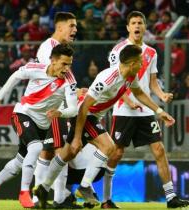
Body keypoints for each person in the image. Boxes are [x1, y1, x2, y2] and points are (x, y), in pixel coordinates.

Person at [34, 45, 175, 209]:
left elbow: (139, 93)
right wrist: (78, 136)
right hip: (85, 115)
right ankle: (85, 186)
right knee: (108, 146)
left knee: (68, 152)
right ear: (131, 63)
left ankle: (42, 189)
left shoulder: (130, 75)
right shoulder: (107, 78)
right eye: (140, 61)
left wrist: (158, 111)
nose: (142, 64)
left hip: (92, 117)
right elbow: (84, 106)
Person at [103, 11, 189, 209]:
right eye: (133, 22)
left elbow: (151, 83)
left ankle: (171, 197)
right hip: (123, 110)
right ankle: (106, 199)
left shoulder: (151, 52)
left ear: (144, 26)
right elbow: (115, 83)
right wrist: (127, 99)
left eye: (140, 22)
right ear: (127, 27)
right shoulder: (118, 51)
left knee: (159, 150)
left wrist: (162, 95)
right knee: (116, 154)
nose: (137, 26)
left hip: (145, 110)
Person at [0, 44, 78, 208]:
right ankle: (24, 193)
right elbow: (15, 76)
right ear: (53, 60)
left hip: (42, 125)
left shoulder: (69, 81)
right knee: (35, 148)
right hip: (23, 114)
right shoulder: (36, 68)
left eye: (70, 64)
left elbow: (73, 108)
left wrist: (61, 113)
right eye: (64, 64)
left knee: (19, 162)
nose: (67, 68)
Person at [33, 12, 83, 209]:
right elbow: (53, 77)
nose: (75, 30)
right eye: (72, 25)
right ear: (60, 27)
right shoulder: (49, 48)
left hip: (55, 105)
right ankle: (57, 198)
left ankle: (45, 198)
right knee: (58, 150)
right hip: (53, 105)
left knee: (48, 151)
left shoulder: (56, 48)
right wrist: (76, 91)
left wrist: (76, 91)